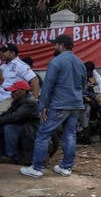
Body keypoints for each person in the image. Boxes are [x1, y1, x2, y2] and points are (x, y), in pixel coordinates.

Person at [20, 34, 86, 178]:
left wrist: (42, 105)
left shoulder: (56, 61)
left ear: (62, 46)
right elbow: (83, 85)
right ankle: (66, 167)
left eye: (55, 44)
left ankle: (37, 168)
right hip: (75, 104)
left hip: (59, 104)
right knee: (70, 135)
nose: (53, 47)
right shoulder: (80, 62)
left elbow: (48, 85)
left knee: (43, 134)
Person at [0, 80, 39, 164]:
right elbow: (8, 114)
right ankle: (3, 154)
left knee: (9, 128)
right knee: (3, 126)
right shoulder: (17, 101)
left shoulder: (30, 102)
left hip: (31, 130)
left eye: (14, 91)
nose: (11, 93)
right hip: (23, 127)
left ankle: (12, 157)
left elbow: (16, 116)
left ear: (23, 91)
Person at [0, 44, 40, 114]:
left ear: (12, 53)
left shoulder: (21, 65)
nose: (2, 53)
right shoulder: (3, 66)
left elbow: (35, 80)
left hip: (9, 100)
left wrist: (35, 100)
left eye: (4, 51)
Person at [84, 61, 101, 144]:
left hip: (90, 95)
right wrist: (86, 86)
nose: (88, 73)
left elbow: (100, 82)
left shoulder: (93, 73)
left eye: (90, 71)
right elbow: (77, 87)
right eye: (87, 71)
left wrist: (100, 94)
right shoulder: (77, 72)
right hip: (79, 95)